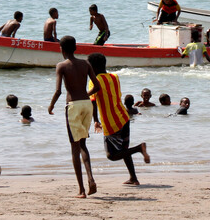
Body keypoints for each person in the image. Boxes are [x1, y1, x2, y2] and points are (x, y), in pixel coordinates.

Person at [48, 35, 101, 198]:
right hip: (87, 104)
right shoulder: (85, 63)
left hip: (73, 106)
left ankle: (81, 190)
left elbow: (58, 91)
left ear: (61, 50)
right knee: (83, 144)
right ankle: (91, 178)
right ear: (76, 48)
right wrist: (85, 94)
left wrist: (51, 106)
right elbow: (97, 86)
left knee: (74, 148)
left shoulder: (61, 66)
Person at [86, 53, 150, 185]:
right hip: (124, 117)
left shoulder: (94, 80)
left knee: (112, 155)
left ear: (93, 67)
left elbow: (93, 102)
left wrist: (95, 121)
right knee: (124, 150)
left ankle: (139, 148)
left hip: (111, 122)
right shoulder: (114, 77)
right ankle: (133, 178)